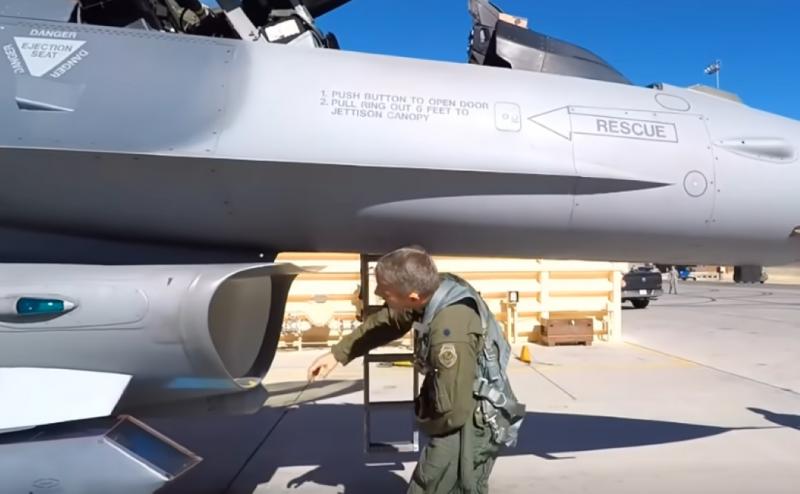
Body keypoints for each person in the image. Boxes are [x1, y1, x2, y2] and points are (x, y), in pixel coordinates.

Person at [308, 246, 524, 494]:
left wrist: (425, 421)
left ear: (412, 297)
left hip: (469, 422)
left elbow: (453, 410)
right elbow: (390, 320)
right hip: (457, 405)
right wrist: (338, 354)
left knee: (434, 485)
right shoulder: (433, 290)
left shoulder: (449, 333)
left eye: (385, 291)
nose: (378, 293)